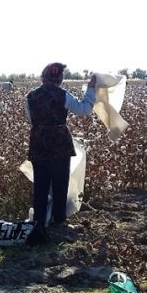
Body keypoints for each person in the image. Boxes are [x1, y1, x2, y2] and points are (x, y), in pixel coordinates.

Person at [25, 62, 96, 232]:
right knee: (60, 184)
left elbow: (30, 120)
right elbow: (84, 109)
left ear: (44, 77)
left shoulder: (30, 96)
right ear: (60, 79)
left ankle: (39, 222)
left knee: (40, 185)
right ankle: (59, 221)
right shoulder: (64, 95)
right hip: (60, 144)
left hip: (38, 143)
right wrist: (91, 89)